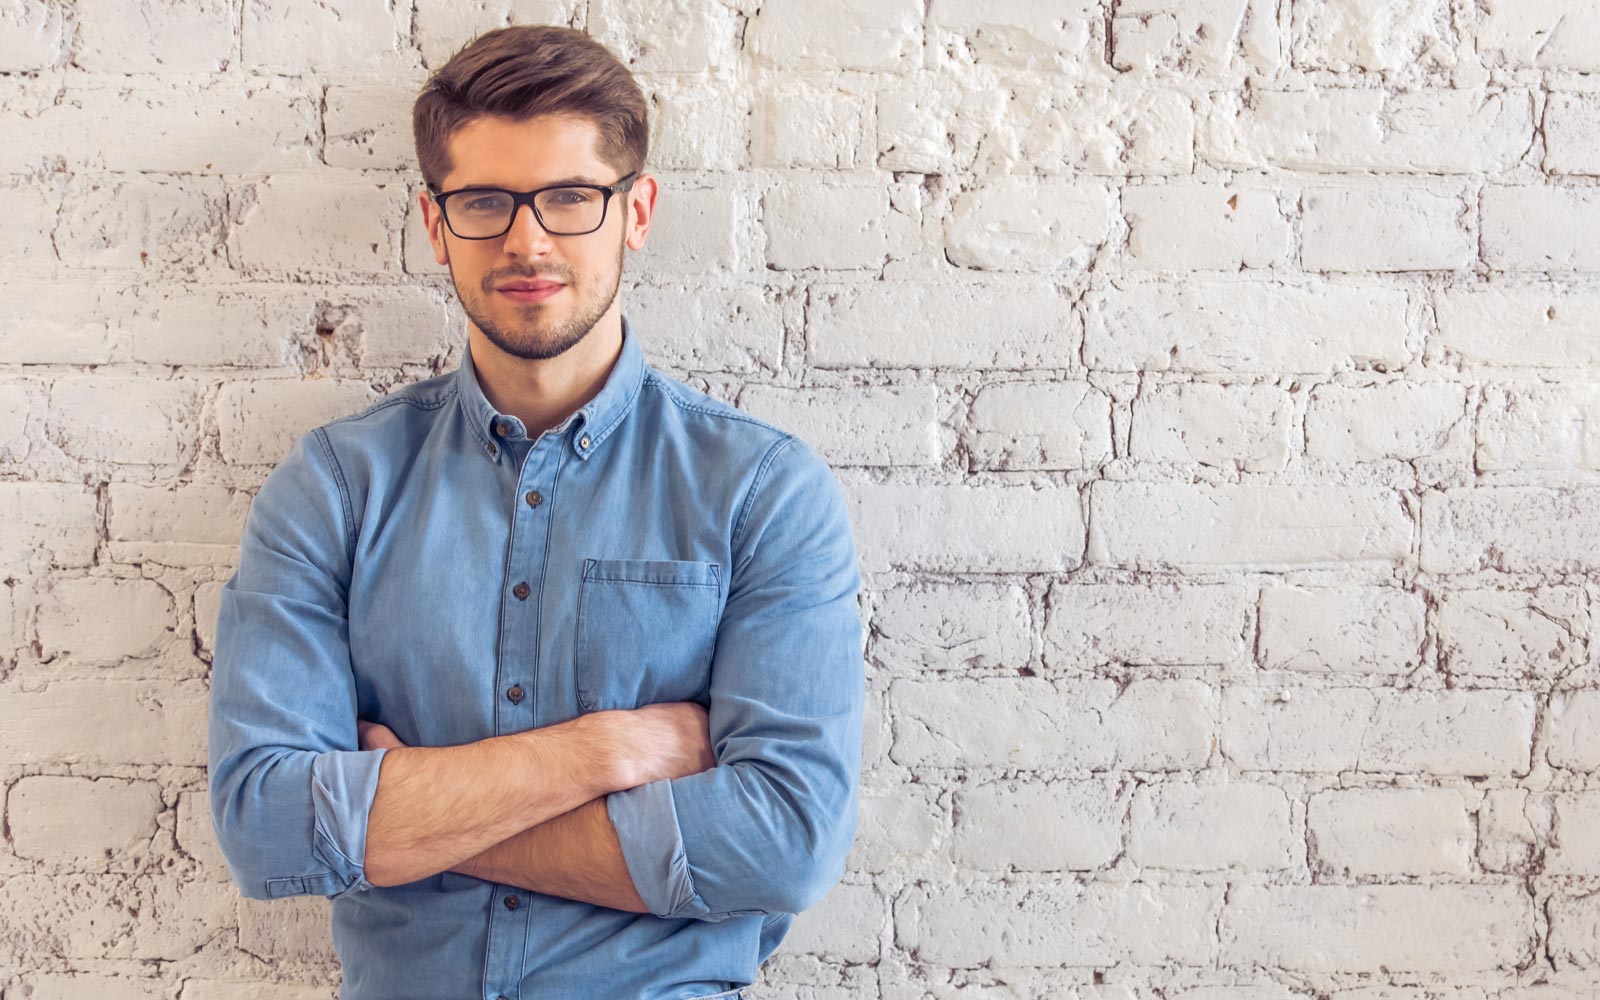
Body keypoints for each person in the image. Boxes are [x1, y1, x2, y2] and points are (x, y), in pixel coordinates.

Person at [206, 24, 864, 1000]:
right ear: (436, 224)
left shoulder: (761, 490)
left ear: (635, 211)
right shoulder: (338, 485)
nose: (526, 239)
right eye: (483, 201)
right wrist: (606, 749)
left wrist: (414, 813)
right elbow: (266, 822)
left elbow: (785, 842)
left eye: (569, 197)